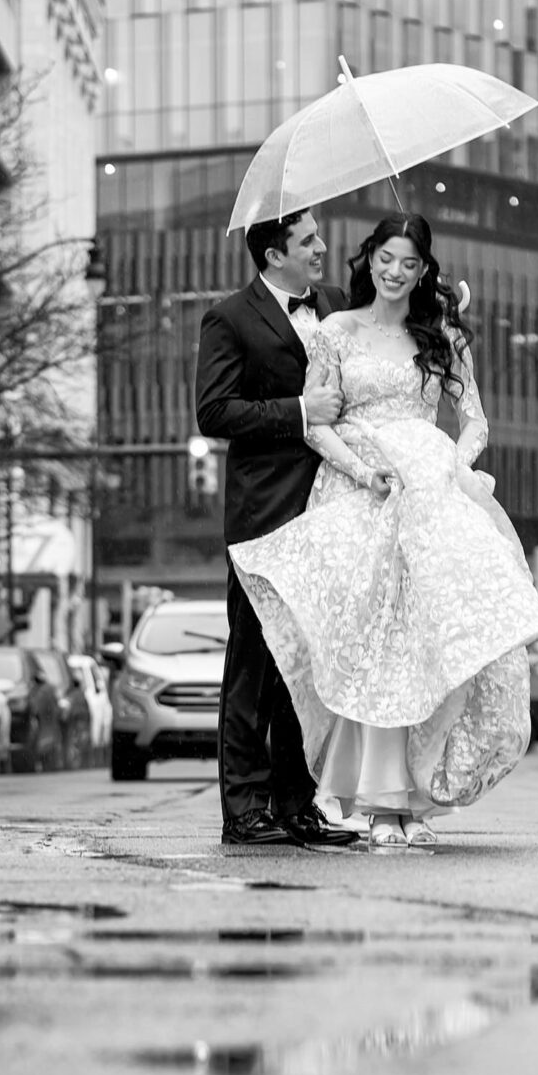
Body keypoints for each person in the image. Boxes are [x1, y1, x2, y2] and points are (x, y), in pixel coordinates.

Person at [227, 213, 538, 848]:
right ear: (369, 258)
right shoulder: (334, 331)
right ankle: (379, 801)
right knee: (376, 646)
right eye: (386, 258)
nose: (396, 272)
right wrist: (362, 468)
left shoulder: (443, 336)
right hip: (361, 493)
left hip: (430, 496)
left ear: (424, 269)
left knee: (429, 642)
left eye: (410, 262)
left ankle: (417, 796)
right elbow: (317, 422)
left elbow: (475, 420)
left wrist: (452, 466)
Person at [193, 210, 360, 847]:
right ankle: (243, 810)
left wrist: (444, 295)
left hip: (329, 511)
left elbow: (387, 319)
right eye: (308, 240)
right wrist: (298, 411)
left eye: (318, 236)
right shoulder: (229, 318)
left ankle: (297, 804)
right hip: (263, 516)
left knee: (307, 669)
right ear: (272, 255)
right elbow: (214, 409)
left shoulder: (337, 305)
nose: (322, 247)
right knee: (255, 667)